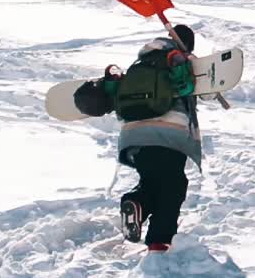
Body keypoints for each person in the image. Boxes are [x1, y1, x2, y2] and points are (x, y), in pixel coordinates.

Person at [72, 24, 202, 253]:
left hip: (133, 139)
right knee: (173, 185)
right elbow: (198, 87)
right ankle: (159, 242)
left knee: (152, 182)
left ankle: (137, 203)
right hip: (168, 136)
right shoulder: (179, 60)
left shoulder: (137, 66)